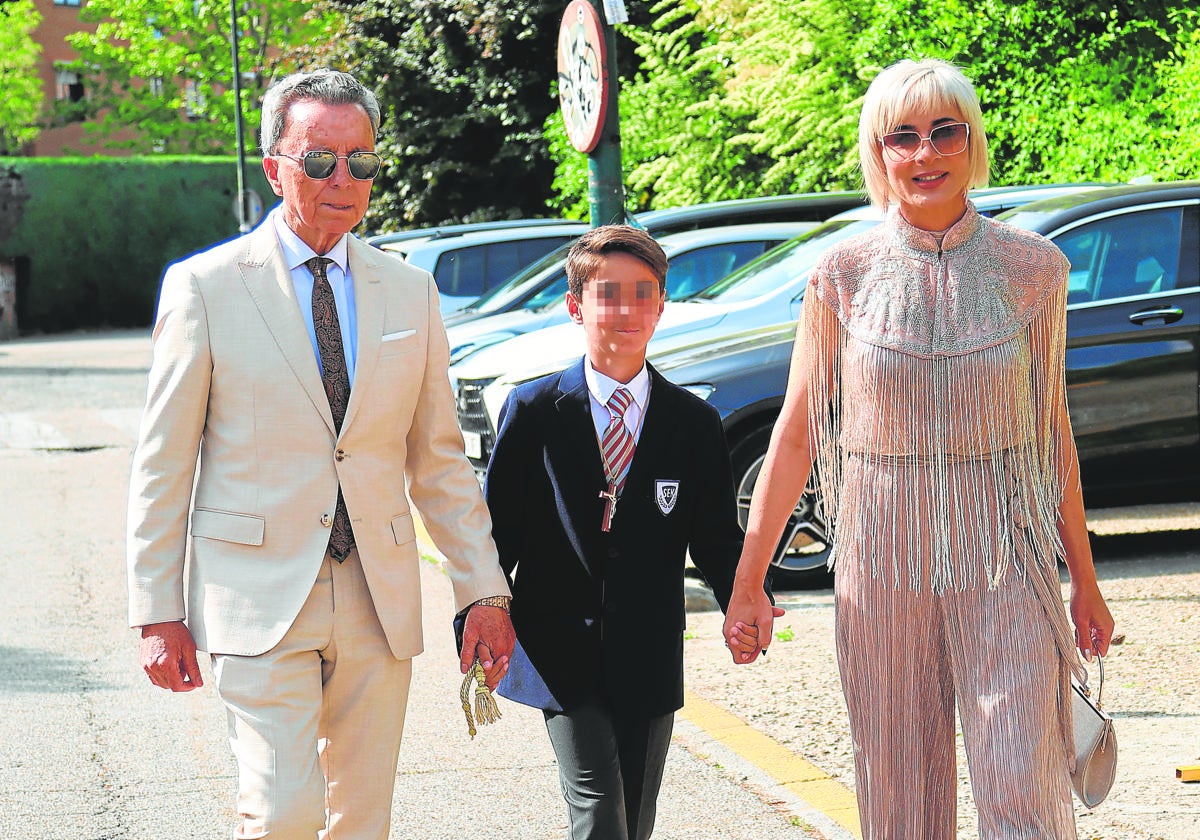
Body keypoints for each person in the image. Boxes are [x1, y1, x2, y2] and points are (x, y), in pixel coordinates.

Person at [723, 58, 1115, 839]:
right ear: (877, 153)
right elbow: (797, 429)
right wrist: (747, 580)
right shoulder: (842, 273)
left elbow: (1051, 432)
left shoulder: (1035, 269)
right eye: (901, 136)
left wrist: (1086, 580)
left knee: (1022, 779)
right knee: (898, 783)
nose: (924, 152)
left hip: (1006, 546)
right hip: (879, 550)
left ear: (973, 143)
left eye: (945, 131)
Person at [126, 68, 515, 840]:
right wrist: (155, 610)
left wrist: (484, 590)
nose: (344, 178)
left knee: (362, 821)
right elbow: (163, 462)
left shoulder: (411, 293)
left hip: (378, 595)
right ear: (275, 167)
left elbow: (437, 460)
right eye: (319, 160)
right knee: (281, 815)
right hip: (255, 596)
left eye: (361, 161)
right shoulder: (204, 287)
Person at [484, 225, 776, 840]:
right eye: (608, 294)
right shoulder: (535, 410)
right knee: (598, 810)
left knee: (635, 816)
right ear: (575, 306)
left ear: (662, 306)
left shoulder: (691, 421)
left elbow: (718, 536)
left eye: (643, 294)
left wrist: (743, 602)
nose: (626, 310)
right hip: (561, 648)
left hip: (648, 650)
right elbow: (496, 531)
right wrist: (481, 616)